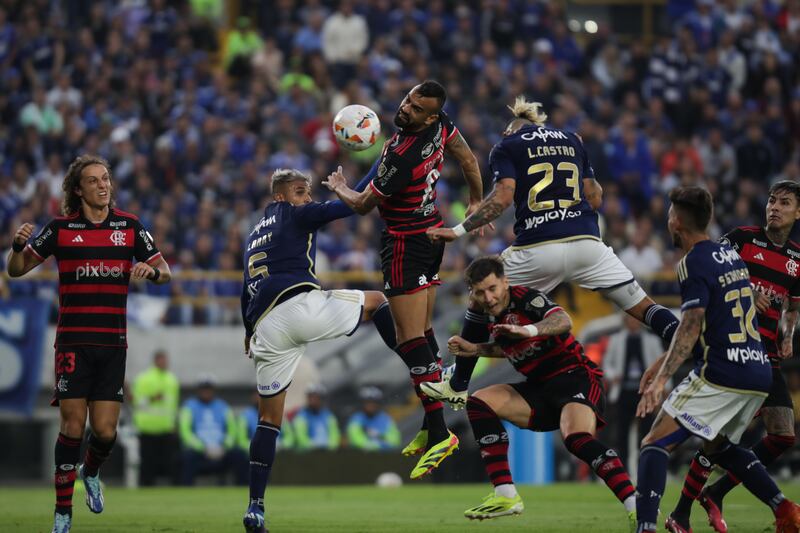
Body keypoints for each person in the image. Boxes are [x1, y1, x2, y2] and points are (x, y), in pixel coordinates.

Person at [423, 96, 680, 411]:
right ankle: (696, 346)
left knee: (481, 295)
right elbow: (595, 197)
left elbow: (503, 197)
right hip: (587, 246)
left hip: (537, 249)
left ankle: (458, 384)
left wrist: (459, 229)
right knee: (645, 308)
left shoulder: (507, 146)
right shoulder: (573, 140)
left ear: (510, 132)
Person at [322, 80, 483, 476]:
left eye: (415, 106)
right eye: (408, 99)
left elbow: (362, 206)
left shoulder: (400, 155)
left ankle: (441, 430)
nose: (405, 107)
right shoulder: (441, 125)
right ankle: (431, 424)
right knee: (421, 334)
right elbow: (469, 161)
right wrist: (476, 200)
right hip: (431, 234)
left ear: (428, 115)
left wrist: (340, 187)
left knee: (410, 341)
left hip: (404, 245)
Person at [5, 155, 171, 533]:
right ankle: (63, 514)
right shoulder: (61, 229)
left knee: (107, 431)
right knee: (73, 426)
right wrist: (17, 248)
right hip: (73, 343)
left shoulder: (129, 227)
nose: (103, 185)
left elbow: (166, 271)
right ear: (77, 190)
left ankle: (91, 471)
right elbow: (16, 271)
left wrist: (151, 272)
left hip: (112, 344)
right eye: (94, 180)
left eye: (106, 178)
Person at [240, 168, 401, 532]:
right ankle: (423, 369)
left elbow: (244, 285)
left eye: (308, 192)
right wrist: (384, 163)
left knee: (268, 420)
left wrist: (248, 330)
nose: (308, 198)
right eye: (300, 192)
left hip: (265, 328)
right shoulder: (294, 213)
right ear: (281, 196)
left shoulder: (253, 234)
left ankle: (256, 507)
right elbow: (353, 206)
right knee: (377, 301)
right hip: (296, 307)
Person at [634, 186, 800, 533]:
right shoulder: (736, 250)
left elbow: (694, 323)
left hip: (726, 366)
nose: (774, 208)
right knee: (719, 446)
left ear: (676, 221)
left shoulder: (694, 260)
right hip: (758, 367)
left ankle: (646, 527)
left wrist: (663, 376)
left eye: (784, 203)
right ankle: (782, 507)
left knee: (654, 443)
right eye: (772, 200)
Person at [445, 256, 637, 528]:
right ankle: (506, 495)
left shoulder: (525, 298)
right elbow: (511, 345)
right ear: (472, 293)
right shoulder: (483, 313)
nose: (488, 298)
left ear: (505, 282)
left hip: (575, 377)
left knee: (577, 439)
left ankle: (636, 506)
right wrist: (476, 349)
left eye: (492, 289)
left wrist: (527, 329)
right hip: (539, 388)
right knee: (478, 403)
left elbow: (563, 320)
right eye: (480, 292)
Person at [603, 314, 665, 468]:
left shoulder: (652, 340)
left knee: (646, 432)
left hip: (645, 393)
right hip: (623, 392)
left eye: (636, 320)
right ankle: (623, 468)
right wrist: (613, 376)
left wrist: (664, 387)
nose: (633, 322)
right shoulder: (616, 340)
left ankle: (644, 466)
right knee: (621, 432)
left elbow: (663, 365)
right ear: (625, 321)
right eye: (630, 319)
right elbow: (607, 364)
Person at [179, 374, 247, 486]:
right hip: (200, 450)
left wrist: (224, 445)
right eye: (204, 389)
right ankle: (186, 489)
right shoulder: (189, 407)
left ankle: (242, 489)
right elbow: (185, 432)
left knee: (239, 455)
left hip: (221, 449)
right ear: (199, 390)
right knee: (187, 458)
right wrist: (203, 447)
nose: (206, 392)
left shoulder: (223, 406)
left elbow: (232, 430)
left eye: (208, 389)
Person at [132, 349, 180, 486]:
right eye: (162, 359)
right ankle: (146, 489)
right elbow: (136, 402)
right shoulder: (144, 379)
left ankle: (171, 491)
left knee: (169, 464)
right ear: (155, 360)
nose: (165, 362)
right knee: (148, 464)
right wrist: (151, 398)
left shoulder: (172, 380)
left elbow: (173, 406)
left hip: (166, 429)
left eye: (166, 360)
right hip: (147, 428)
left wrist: (174, 423)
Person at [346, 386, 401, 451]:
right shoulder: (356, 419)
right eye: (368, 403)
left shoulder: (385, 419)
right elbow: (355, 439)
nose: (370, 406)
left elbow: (395, 439)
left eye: (373, 403)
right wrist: (375, 445)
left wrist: (382, 445)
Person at [292, 384, 341, 451]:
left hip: (327, 453)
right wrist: (312, 446)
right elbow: (300, 436)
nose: (312, 400)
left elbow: (334, 433)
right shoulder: (301, 416)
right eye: (310, 397)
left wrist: (331, 447)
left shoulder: (328, 415)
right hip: (308, 454)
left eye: (316, 397)